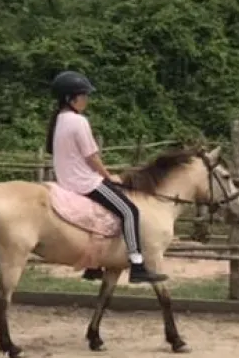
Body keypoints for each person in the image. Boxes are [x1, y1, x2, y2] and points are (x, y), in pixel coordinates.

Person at [46, 71, 166, 284]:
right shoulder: (78, 121)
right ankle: (137, 265)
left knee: (102, 214)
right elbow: (92, 157)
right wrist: (108, 176)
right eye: (83, 95)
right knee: (130, 211)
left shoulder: (59, 121)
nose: (86, 100)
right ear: (70, 98)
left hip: (66, 180)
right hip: (84, 182)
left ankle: (94, 266)